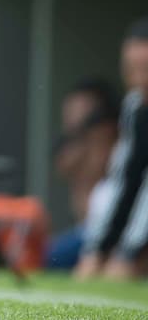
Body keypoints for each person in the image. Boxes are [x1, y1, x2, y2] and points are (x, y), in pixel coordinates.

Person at [76, 18, 148, 280]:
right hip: (133, 228)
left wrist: (130, 252)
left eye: (145, 69)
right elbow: (127, 181)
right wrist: (99, 249)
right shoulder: (134, 107)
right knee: (93, 269)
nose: (138, 79)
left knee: (122, 271)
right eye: (131, 69)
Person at [48, 78, 118, 269]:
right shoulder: (70, 144)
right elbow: (63, 165)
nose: (71, 117)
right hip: (84, 230)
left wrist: (91, 141)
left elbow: (99, 166)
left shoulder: (108, 139)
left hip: (102, 232)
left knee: (49, 257)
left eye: (80, 109)